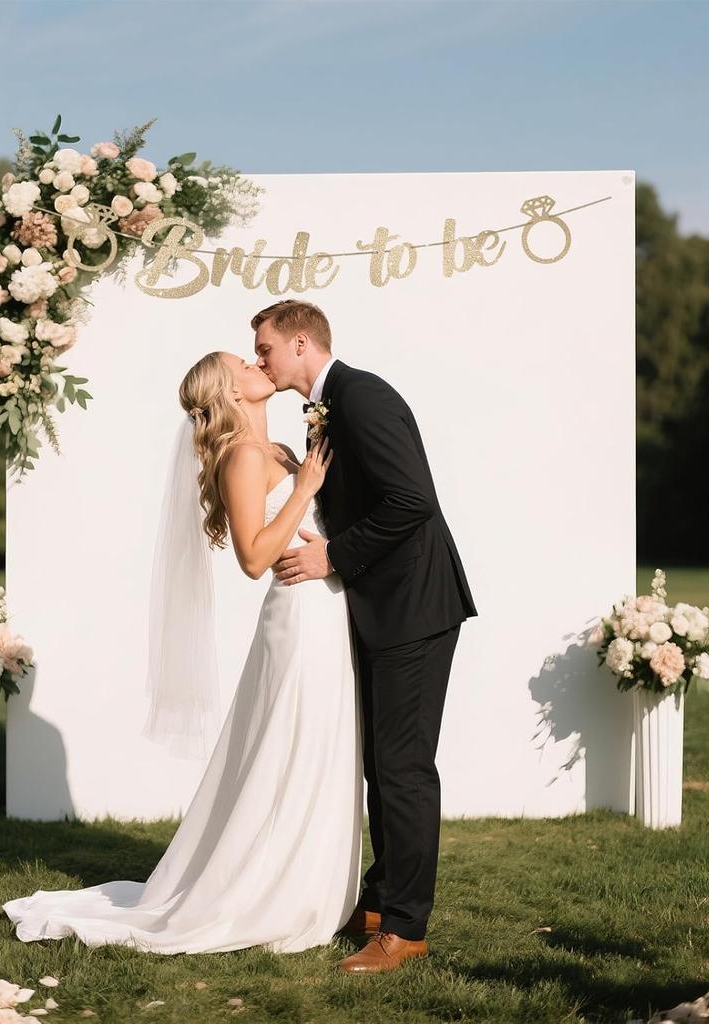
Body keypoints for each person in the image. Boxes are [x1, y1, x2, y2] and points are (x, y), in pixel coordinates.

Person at [2, 350, 366, 954]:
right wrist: (304, 490)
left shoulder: (277, 450)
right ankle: (270, 889)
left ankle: (313, 882)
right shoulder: (244, 459)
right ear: (230, 393)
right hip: (299, 614)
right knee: (290, 744)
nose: (257, 364)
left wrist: (307, 477)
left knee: (322, 744)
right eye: (243, 363)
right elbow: (253, 558)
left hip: (329, 608)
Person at [252, 299, 477, 974]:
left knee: (404, 768)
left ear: (299, 343)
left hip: (414, 607)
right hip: (383, 607)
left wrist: (333, 557)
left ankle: (405, 931)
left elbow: (413, 500)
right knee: (383, 762)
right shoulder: (331, 403)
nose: (258, 357)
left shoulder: (362, 394)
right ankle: (381, 901)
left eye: (263, 346)